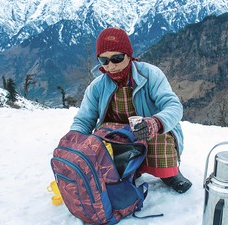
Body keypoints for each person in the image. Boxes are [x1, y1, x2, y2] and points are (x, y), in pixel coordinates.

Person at [70, 27, 192, 193]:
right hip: (116, 136)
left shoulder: (150, 75)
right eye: (104, 61)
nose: (111, 66)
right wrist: (72, 141)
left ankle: (168, 174)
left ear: (129, 55)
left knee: (161, 140)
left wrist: (155, 123)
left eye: (117, 58)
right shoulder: (97, 86)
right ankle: (128, 173)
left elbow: (173, 106)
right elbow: (84, 120)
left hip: (147, 131)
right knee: (99, 145)